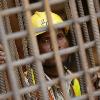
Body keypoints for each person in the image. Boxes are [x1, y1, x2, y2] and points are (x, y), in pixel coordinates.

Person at [0, 11, 81, 99]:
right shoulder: (26, 84)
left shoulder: (74, 80)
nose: (56, 45)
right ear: (33, 49)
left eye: (59, 36)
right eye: (46, 40)